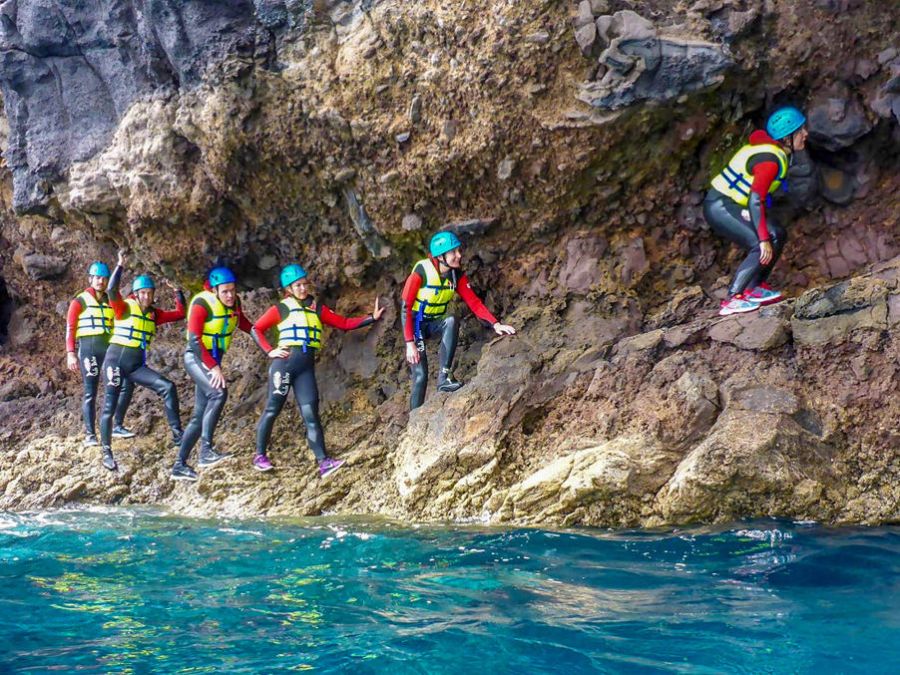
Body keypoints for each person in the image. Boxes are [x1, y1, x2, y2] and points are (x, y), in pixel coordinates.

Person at [250, 264, 385, 477]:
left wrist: (371, 318)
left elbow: (345, 323)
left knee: (311, 414)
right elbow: (255, 328)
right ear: (289, 289)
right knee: (272, 408)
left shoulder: (316, 307)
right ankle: (259, 456)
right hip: (283, 364)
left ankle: (324, 462)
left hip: (305, 368)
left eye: (304, 284)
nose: (303, 289)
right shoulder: (281, 308)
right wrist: (270, 351)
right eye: (298, 285)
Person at [705, 105, 811, 316]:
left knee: (777, 234)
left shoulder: (779, 153)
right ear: (786, 137)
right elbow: (756, 200)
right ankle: (733, 298)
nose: (805, 134)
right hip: (720, 205)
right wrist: (762, 240)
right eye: (800, 131)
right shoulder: (770, 161)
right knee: (760, 244)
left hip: (736, 204)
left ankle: (754, 286)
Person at [401, 231, 516, 411]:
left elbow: (474, 303)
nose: (459, 256)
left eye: (458, 251)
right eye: (453, 252)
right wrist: (410, 343)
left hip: (433, 323)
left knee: (452, 320)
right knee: (421, 374)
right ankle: (414, 418)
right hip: (415, 327)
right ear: (440, 256)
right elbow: (405, 307)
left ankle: (444, 378)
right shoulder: (421, 271)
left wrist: (496, 324)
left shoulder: (456, 275)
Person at [97, 251, 186, 471]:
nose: (146, 297)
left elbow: (180, 313)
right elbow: (111, 290)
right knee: (110, 405)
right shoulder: (124, 307)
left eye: (149, 293)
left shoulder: (154, 315)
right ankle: (106, 452)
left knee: (168, 387)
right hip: (115, 362)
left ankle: (178, 435)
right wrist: (120, 265)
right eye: (142, 293)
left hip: (136, 366)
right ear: (136, 294)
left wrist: (177, 291)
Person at [171, 267, 253, 481]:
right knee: (218, 393)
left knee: (199, 416)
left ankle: (179, 466)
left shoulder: (234, 303)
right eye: (225, 291)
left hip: (211, 361)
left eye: (232, 291)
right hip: (196, 358)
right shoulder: (201, 303)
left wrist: (268, 344)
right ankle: (206, 452)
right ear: (215, 290)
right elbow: (194, 341)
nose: (229, 295)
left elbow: (245, 324)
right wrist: (214, 367)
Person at [66, 258, 134, 446]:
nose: (101, 281)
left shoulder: (111, 300)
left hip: (109, 349)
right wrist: (71, 353)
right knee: (91, 392)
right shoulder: (80, 301)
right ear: (90, 279)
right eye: (97, 278)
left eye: (104, 278)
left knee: (123, 383)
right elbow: (70, 328)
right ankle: (90, 434)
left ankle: (117, 425)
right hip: (88, 349)